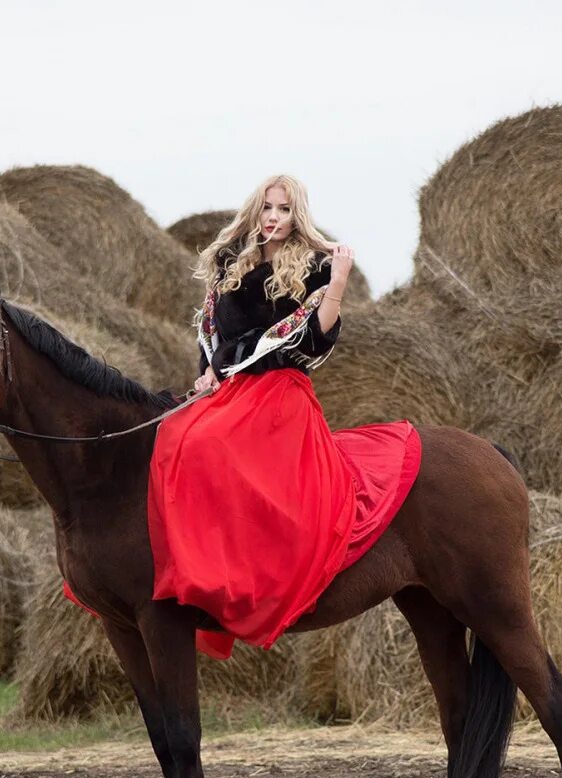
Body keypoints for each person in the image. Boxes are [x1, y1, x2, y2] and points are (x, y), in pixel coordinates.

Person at [144, 175, 422, 660]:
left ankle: (242, 576)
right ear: (255, 211)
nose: (274, 216)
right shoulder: (231, 264)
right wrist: (206, 372)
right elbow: (214, 338)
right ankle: (194, 568)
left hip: (279, 395)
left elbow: (316, 341)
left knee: (211, 445)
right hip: (231, 389)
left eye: (285, 209)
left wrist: (336, 286)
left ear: (298, 217)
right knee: (173, 436)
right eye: (268, 207)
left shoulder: (313, 267)